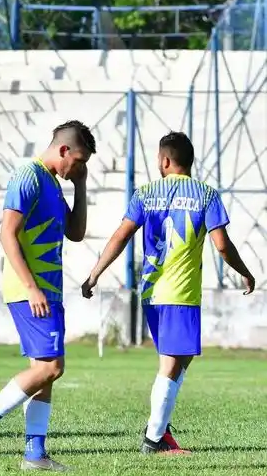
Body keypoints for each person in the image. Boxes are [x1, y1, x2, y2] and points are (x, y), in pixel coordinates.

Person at [81, 131, 255, 454]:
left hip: (151, 293)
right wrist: (244, 271)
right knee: (171, 365)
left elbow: (121, 236)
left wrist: (94, 274)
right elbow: (222, 245)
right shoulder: (206, 194)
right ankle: (154, 438)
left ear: (164, 160)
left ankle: (161, 428)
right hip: (180, 293)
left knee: (181, 359)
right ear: (189, 160)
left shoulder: (145, 193)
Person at [0, 121, 96, 472]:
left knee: (47, 369)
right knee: (51, 367)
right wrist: (31, 288)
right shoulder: (29, 176)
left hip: (48, 288)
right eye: (79, 161)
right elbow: (7, 234)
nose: (79, 168)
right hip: (31, 290)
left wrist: (80, 185)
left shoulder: (53, 183)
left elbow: (76, 233)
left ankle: (35, 454)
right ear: (64, 150)